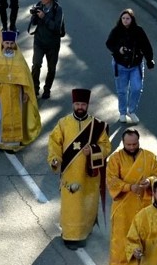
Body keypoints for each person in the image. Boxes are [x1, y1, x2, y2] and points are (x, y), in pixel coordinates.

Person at [47, 88, 112, 249]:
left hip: (90, 173)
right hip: (71, 172)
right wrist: (55, 159)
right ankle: (71, 236)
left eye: (83, 104)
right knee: (73, 205)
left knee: (88, 203)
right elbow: (54, 143)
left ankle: (85, 230)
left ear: (87, 105)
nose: (80, 107)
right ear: (73, 104)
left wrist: (94, 150)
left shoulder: (97, 125)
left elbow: (106, 146)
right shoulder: (63, 123)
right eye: (77, 104)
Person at [106, 129, 157, 265]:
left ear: (138, 141)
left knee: (144, 240)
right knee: (121, 242)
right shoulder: (115, 159)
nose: (132, 147)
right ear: (123, 143)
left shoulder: (149, 157)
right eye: (128, 145)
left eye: (134, 144)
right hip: (123, 208)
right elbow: (111, 180)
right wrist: (129, 187)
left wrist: (150, 181)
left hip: (145, 207)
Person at [104, 9, 155, 123]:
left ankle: (131, 111)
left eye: (127, 18)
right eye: (123, 18)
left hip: (135, 65)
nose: (125, 21)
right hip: (120, 65)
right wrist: (118, 49)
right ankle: (122, 112)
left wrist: (149, 60)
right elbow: (109, 43)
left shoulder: (138, 31)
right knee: (122, 90)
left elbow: (146, 46)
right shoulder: (116, 31)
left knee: (137, 88)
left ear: (132, 19)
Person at [29, 0, 64, 99]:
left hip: (52, 44)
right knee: (36, 65)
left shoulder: (57, 9)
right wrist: (34, 15)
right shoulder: (40, 5)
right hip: (39, 41)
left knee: (51, 68)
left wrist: (44, 17)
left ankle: (47, 89)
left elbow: (56, 27)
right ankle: (34, 87)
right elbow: (34, 23)